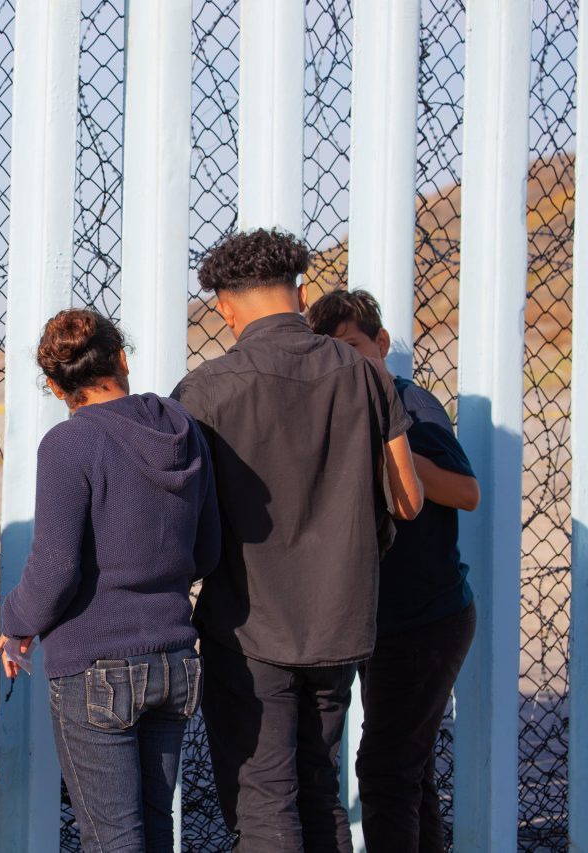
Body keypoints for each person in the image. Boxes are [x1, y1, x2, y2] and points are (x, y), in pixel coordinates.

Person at [170, 228, 423, 852]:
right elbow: (409, 500)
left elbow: (180, 521)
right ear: (302, 292)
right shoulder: (366, 377)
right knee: (319, 785)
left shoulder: (203, 390)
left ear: (226, 306)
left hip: (247, 623)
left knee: (262, 795)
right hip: (341, 618)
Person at [0, 308, 221, 852]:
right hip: (176, 660)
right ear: (122, 358)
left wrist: (17, 620)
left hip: (98, 667)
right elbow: (207, 552)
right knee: (156, 830)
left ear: (53, 386)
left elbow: (55, 570)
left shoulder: (70, 443)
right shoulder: (185, 429)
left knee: (112, 839)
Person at [307, 289, 479, 853]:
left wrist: (396, 449)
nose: (348, 362)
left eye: (356, 347)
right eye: (333, 352)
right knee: (409, 768)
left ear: (381, 344)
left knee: (383, 769)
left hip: (424, 620)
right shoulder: (334, 413)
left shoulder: (412, 405)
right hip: (378, 623)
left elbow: (466, 492)